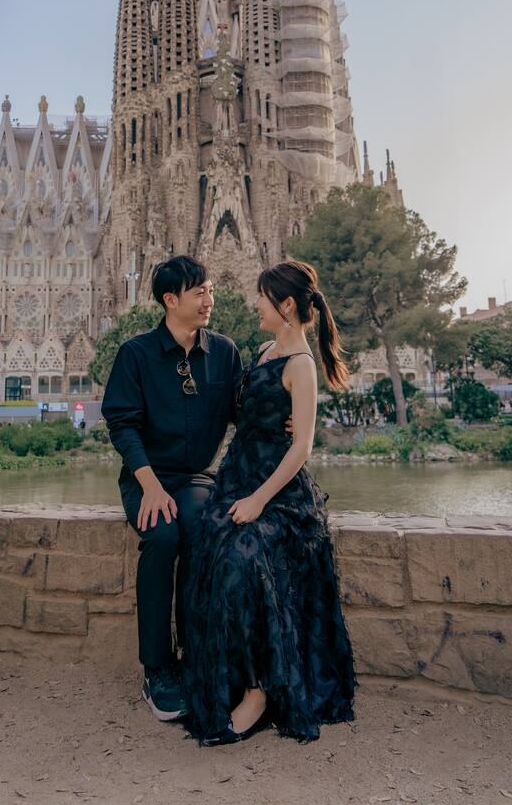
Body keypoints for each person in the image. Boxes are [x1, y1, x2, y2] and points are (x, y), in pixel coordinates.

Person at [182, 260, 355, 746]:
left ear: (286, 305)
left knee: (245, 562)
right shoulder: (263, 351)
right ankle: (228, 683)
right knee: (210, 550)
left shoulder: (301, 365)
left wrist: (259, 500)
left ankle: (257, 694)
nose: (255, 303)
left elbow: (302, 448)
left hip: (276, 493)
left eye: (262, 296)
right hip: (238, 478)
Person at [102, 256, 243, 722]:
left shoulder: (224, 352)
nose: (209, 300)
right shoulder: (136, 354)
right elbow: (122, 425)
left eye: (209, 290)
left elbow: (243, 412)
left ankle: (196, 655)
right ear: (170, 299)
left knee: (201, 529)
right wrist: (150, 486)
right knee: (162, 537)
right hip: (146, 477)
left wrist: (282, 417)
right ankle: (157, 668)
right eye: (199, 292)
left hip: (196, 478)